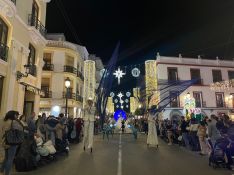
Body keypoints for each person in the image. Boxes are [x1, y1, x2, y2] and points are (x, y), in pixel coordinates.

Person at [1, 111, 24, 175]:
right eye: (16, 115)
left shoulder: (5, 121)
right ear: (13, 115)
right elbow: (21, 128)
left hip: (5, 141)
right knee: (10, 159)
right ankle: (7, 173)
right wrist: (18, 121)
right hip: (12, 142)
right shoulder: (13, 122)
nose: (17, 116)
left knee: (6, 157)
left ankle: (2, 170)